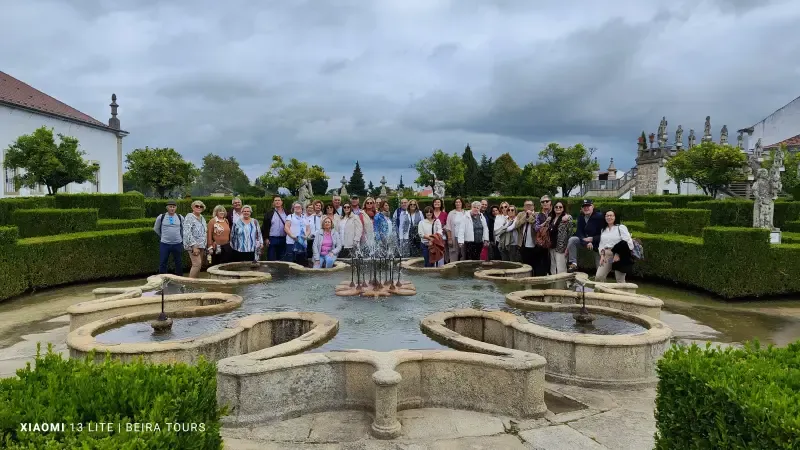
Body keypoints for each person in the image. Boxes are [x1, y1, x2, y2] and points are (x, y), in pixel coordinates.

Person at [596, 210, 635, 283]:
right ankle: (602, 293)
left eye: (611, 215)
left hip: (619, 256)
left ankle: (623, 294)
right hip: (607, 256)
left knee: (620, 280)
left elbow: (627, 242)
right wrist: (602, 255)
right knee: (599, 276)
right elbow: (601, 244)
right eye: (607, 215)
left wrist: (617, 254)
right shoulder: (603, 230)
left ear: (615, 217)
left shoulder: (621, 227)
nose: (609, 217)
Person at [567, 199, 604, 272]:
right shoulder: (581, 218)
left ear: (592, 206)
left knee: (600, 270)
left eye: (588, 206)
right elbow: (579, 233)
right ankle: (573, 263)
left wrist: (592, 239)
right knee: (572, 240)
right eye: (584, 206)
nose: (586, 208)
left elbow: (605, 234)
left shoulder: (600, 217)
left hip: (598, 244)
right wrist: (586, 242)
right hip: (585, 242)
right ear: (581, 208)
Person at [154, 200, 184, 276]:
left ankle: (180, 280)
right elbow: (156, 229)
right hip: (165, 244)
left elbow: (183, 229)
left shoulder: (180, 217)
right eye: (170, 207)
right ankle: (162, 279)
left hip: (177, 244)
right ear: (167, 208)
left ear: (176, 208)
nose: (172, 209)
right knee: (163, 262)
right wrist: (162, 236)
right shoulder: (161, 217)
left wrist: (181, 238)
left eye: (174, 207)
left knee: (179, 263)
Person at [183, 200, 208, 278]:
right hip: (193, 245)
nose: (199, 207)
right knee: (196, 264)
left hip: (201, 245)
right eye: (197, 206)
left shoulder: (202, 217)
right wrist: (194, 246)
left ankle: (195, 283)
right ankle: (189, 285)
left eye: (201, 206)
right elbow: (187, 232)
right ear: (193, 207)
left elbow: (204, 231)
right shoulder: (189, 216)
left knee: (199, 265)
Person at [531, 196, 553, 276]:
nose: (545, 203)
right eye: (543, 202)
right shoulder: (538, 215)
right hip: (543, 242)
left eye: (547, 201)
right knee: (542, 261)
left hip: (554, 241)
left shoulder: (555, 212)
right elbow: (536, 228)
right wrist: (545, 222)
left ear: (550, 202)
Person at [547, 201, 571, 274]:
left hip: (561, 247)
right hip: (551, 246)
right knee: (553, 267)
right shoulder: (552, 219)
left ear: (563, 208)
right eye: (556, 207)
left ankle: (562, 285)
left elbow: (570, 234)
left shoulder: (566, 218)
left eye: (560, 207)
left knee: (561, 268)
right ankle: (554, 284)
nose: (558, 208)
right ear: (553, 208)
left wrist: (568, 247)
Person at [261, 195, 287, 261]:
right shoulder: (269, 214)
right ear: (273, 203)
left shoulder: (287, 213)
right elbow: (265, 227)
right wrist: (266, 238)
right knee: (271, 258)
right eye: (275, 200)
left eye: (279, 200)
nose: (277, 202)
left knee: (282, 258)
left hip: (284, 238)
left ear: (282, 202)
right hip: (272, 239)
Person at [284, 202, 310, 266]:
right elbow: (286, 228)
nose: (298, 208)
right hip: (292, 242)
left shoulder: (305, 217)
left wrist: (306, 235)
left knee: (302, 262)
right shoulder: (290, 216)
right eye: (296, 207)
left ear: (302, 208)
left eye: (299, 207)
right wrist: (292, 236)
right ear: (293, 208)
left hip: (302, 242)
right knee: (291, 262)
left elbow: (308, 229)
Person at [514, 199, 537, 269]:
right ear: (524, 207)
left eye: (530, 205)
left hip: (533, 244)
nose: (528, 207)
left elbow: (535, 225)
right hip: (522, 243)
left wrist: (530, 216)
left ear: (533, 207)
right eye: (526, 205)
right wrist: (525, 216)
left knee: (533, 264)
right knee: (524, 264)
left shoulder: (537, 214)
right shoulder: (520, 214)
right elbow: (516, 225)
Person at [445, 197, 467, 262]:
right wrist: (449, 238)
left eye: (459, 202)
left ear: (462, 203)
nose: (458, 203)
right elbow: (448, 226)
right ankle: (453, 270)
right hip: (454, 237)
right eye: (456, 202)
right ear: (454, 204)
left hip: (463, 238)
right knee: (453, 254)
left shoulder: (465, 213)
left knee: (463, 254)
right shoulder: (451, 213)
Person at [432, 198, 449, 262]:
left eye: (438, 202)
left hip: (442, 236)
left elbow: (447, 224)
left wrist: (444, 228)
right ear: (433, 204)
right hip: (433, 236)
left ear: (441, 204)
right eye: (435, 202)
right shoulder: (430, 213)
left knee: (442, 251)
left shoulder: (444, 214)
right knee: (433, 251)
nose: (437, 203)